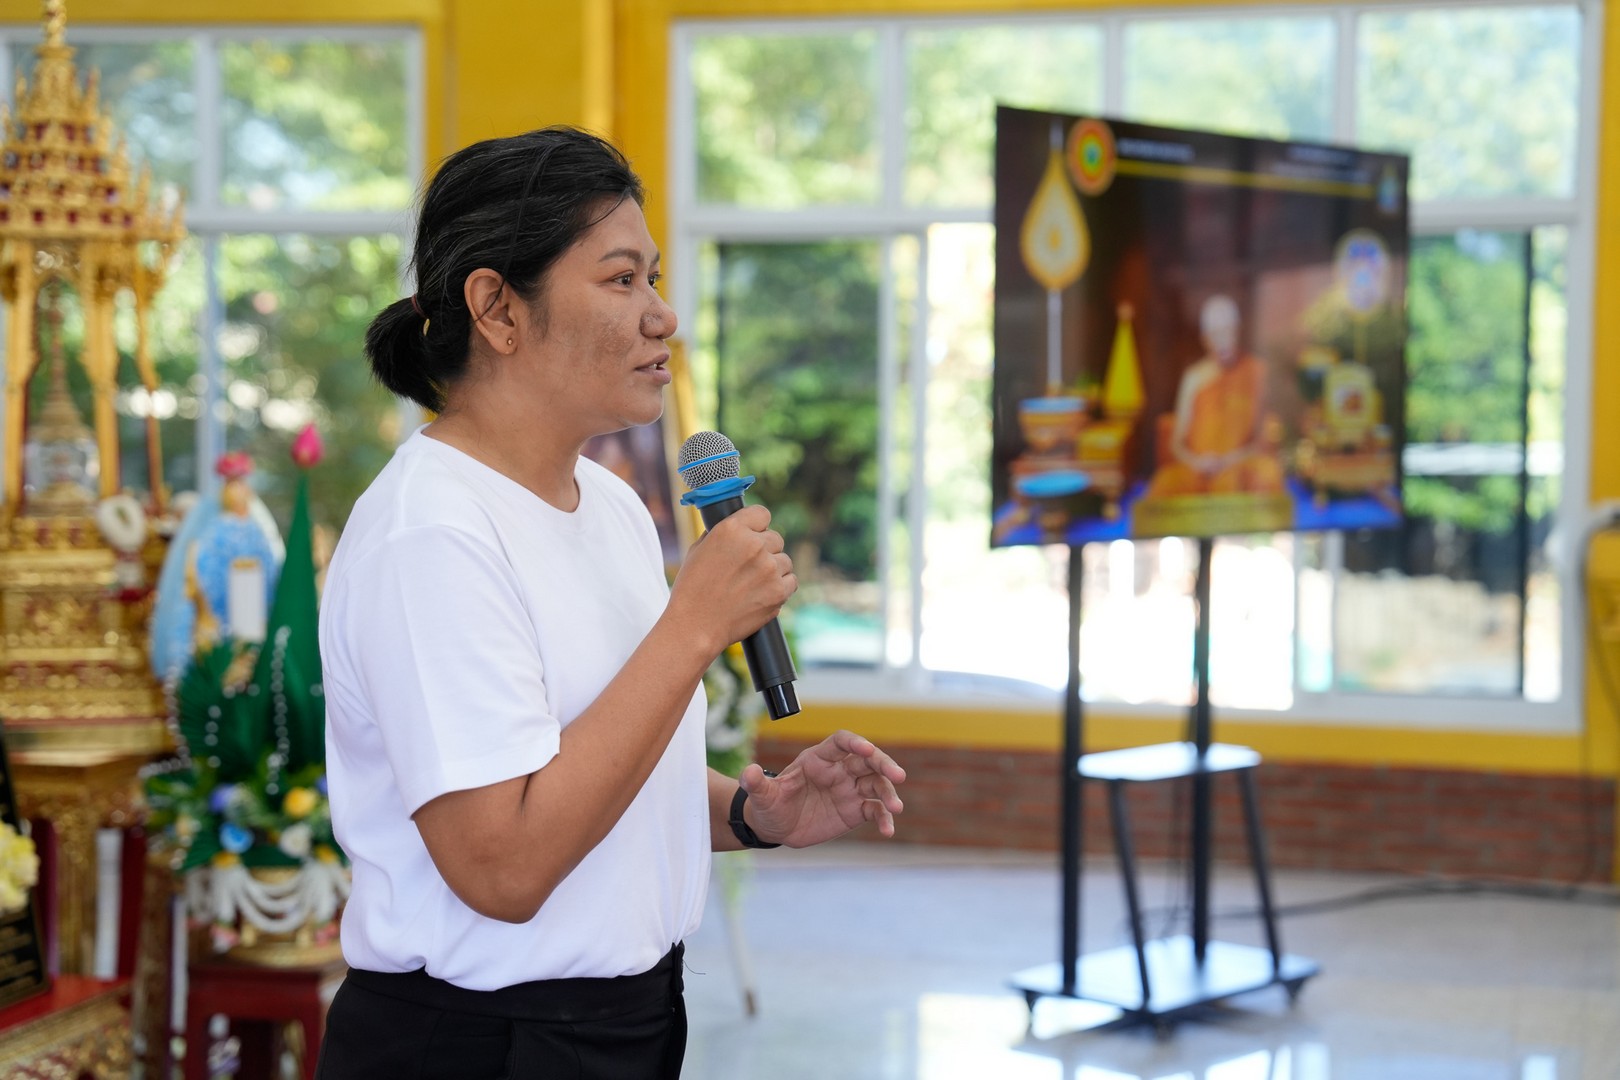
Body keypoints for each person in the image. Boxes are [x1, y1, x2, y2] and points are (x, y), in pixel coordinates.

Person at [314, 126, 907, 1079]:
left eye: (654, 279)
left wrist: (755, 814)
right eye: (622, 279)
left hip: (628, 1021)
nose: (662, 316)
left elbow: (591, 771)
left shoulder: (614, 505)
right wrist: (694, 626)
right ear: (497, 308)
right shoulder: (432, 532)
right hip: (480, 1045)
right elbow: (504, 866)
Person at [1144, 294, 1285, 498]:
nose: (1222, 341)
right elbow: (1176, 443)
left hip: (1240, 465)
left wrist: (1228, 460)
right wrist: (1197, 462)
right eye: (1216, 334)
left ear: (1238, 331)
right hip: (1198, 469)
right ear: (1205, 338)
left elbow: (1261, 439)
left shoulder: (1255, 372)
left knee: (1265, 476)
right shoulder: (1194, 377)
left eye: (1228, 331)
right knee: (1164, 485)